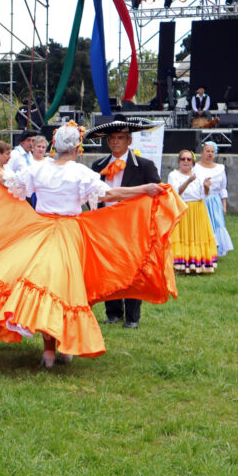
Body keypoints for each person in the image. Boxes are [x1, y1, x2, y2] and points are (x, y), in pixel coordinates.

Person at [0, 123, 183, 368]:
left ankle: (51, 351)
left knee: (47, 287)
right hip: (68, 234)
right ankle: (61, 347)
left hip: (41, 231)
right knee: (65, 290)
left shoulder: (40, 169)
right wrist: (144, 189)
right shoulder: (78, 172)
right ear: (77, 148)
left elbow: (11, 183)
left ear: (54, 145)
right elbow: (109, 195)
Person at [88, 115, 162, 328]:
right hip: (105, 227)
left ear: (129, 141)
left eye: (121, 138)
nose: (116, 141)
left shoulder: (145, 166)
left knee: (133, 269)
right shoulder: (97, 165)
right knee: (107, 267)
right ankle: (112, 312)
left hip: (133, 228)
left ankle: (132, 317)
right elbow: (90, 194)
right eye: (112, 138)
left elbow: (157, 193)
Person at [168, 150, 218, 274]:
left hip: (197, 209)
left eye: (188, 159)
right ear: (179, 161)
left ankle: (198, 264)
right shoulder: (173, 175)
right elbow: (175, 193)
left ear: (193, 162)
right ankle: (180, 265)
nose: (185, 161)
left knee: (197, 236)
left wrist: (206, 186)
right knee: (183, 236)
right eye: (183, 159)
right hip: (182, 208)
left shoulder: (198, 175)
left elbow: (204, 194)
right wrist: (188, 181)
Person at [194, 141, 234, 257]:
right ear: (202, 152)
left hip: (215, 201)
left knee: (217, 224)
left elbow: (223, 188)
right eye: (207, 151)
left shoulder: (220, 168)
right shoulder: (196, 167)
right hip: (201, 199)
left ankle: (216, 249)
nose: (210, 154)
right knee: (203, 225)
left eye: (212, 151)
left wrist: (224, 205)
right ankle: (203, 249)